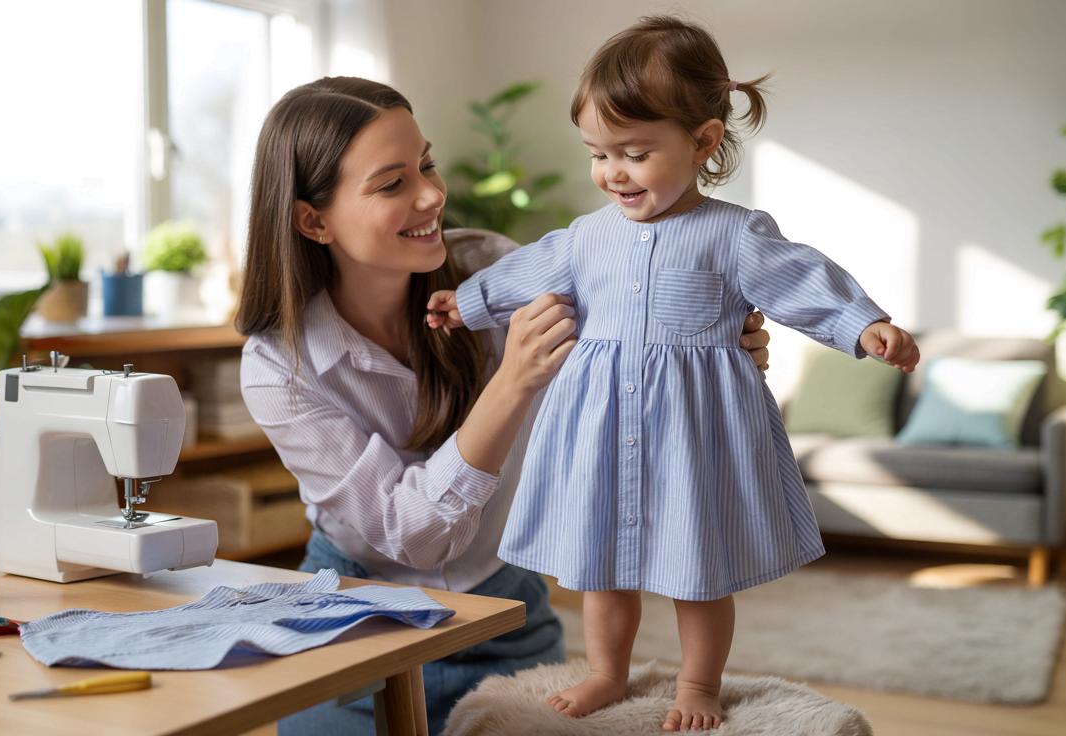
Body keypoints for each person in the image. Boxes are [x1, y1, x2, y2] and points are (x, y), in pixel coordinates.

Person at [235, 75, 774, 735]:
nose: (433, 194)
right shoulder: (278, 364)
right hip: (352, 623)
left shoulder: (493, 269)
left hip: (503, 618)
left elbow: (634, 365)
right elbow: (416, 535)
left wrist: (714, 345)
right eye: (391, 183)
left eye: (427, 165)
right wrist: (513, 381)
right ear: (312, 219)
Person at [426, 16, 920, 732]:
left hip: (696, 438)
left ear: (703, 141)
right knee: (599, 567)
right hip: (599, 432)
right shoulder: (586, 237)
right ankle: (605, 671)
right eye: (598, 154)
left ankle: (699, 684)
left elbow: (802, 280)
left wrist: (861, 324)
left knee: (699, 571)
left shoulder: (734, 234)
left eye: (634, 152)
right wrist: (466, 301)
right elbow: (525, 270)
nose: (612, 172)